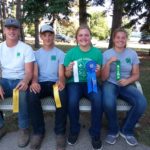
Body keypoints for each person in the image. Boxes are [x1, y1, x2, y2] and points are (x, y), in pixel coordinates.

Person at [102, 28, 147, 146]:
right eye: (118, 37)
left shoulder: (132, 54)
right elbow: (103, 78)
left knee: (142, 102)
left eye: (123, 37)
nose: (120, 40)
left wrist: (127, 81)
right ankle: (113, 130)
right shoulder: (107, 54)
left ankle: (126, 129)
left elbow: (136, 74)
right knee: (108, 102)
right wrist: (108, 63)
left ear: (126, 39)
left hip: (126, 84)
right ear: (113, 39)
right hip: (110, 83)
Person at [64, 25, 103, 150]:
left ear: (90, 37)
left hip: (90, 81)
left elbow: (99, 75)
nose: (83, 37)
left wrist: (98, 71)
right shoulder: (71, 53)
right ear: (76, 38)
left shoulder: (97, 53)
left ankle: (95, 133)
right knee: (72, 101)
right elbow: (66, 75)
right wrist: (68, 70)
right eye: (80, 35)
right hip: (74, 83)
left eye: (86, 35)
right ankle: (74, 129)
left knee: (98, 99)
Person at [28, 24, 67, 150]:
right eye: (45, 35)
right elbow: (35, 74)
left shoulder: (60, 53)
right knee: (32, 95)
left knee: (61, 96)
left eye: (50, 35)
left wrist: (61, 81)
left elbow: (61, 74)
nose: (48, 38)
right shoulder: (36, 54)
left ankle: (60, 132)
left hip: (55, 83)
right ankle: (38, 132)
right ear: (41, 37)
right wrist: (34, 82)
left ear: (53, 36)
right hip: (41, 84)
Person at [0, 18, 35, 147]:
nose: (12, 31)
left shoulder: (26, 48)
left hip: (20, 80)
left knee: (23, 95)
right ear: (4, 31)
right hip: (4, 80)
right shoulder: (0, 47)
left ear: (19, 31)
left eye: (15, 28)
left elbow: (29, 72)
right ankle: (1, 126)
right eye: (8, 28)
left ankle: (24, 128)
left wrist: (26, 81)